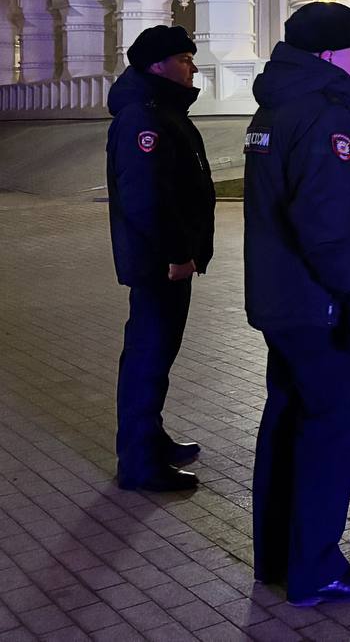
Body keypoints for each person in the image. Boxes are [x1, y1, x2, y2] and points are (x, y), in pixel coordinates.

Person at [243, 1, 350, 607]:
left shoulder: (275, 106)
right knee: (330, 431)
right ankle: (315, 569)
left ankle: (278, 558)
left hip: (279, 299)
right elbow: (324, 224)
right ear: (330, 53)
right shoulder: (324, 116)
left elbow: (301, 199)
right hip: (318, 305)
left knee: (286, 422)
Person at [107, 25, 215, 492]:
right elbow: (146, 197)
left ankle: (150, 438)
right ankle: (139, 462)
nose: (192, 67)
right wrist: (176, 253)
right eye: (184, 59)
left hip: (167, 261)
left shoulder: (161, 110)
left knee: (156, 356)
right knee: (148, 358)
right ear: (157, 66)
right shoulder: (144, 118)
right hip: (159, 265)